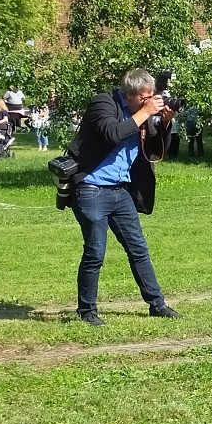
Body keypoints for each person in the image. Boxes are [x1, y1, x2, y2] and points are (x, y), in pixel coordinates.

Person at [65, 68, 181, 326]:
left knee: (138, 249)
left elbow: (155, 146)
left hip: (120, 190)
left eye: (152, 96)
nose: (150, 101)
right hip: (91, 188)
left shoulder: (141, 111)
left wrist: (164, 121)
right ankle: (87, 311)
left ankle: (157, 304)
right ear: (129, 95)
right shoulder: (102, 103)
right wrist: (146, 112)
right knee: (95, 252)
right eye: (144, 97)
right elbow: (112, 134)